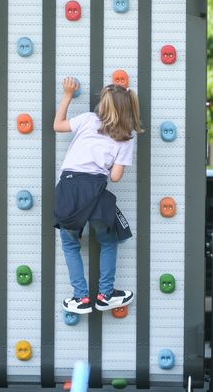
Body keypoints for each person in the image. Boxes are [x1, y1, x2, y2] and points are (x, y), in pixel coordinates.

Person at [53, 77, 143, 314]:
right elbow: (114, 177)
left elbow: (58, 125)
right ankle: (105, 294)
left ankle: (81, 298)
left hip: (69, 187)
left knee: (70, 243)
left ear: (105, 105)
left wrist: (68, 95)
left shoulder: (88, 119)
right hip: (95, 191)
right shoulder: (126, 137)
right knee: (108, 240)